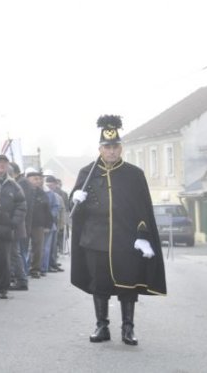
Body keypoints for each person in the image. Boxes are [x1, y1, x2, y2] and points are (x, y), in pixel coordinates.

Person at [70, 115, 167, 346]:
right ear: (100, 149)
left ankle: (128, 328)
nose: (111, 151)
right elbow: (73, 209)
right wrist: (74, 198)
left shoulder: (134, 174)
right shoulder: (87, 173)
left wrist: (143, 236)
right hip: (95, 240)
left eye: (115, 147)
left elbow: (144, 209)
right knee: (99, 285)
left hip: (126, 240)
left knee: (127, 284)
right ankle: (102, 326)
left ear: (121, 148)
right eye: (107, 147)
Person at [0, 154, 26, 298]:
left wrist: (14, 222)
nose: (1, 165)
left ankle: (2, 288)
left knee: (4, 260)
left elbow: (21, 205)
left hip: (5, 228)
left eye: (4, 163)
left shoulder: (13, 184)